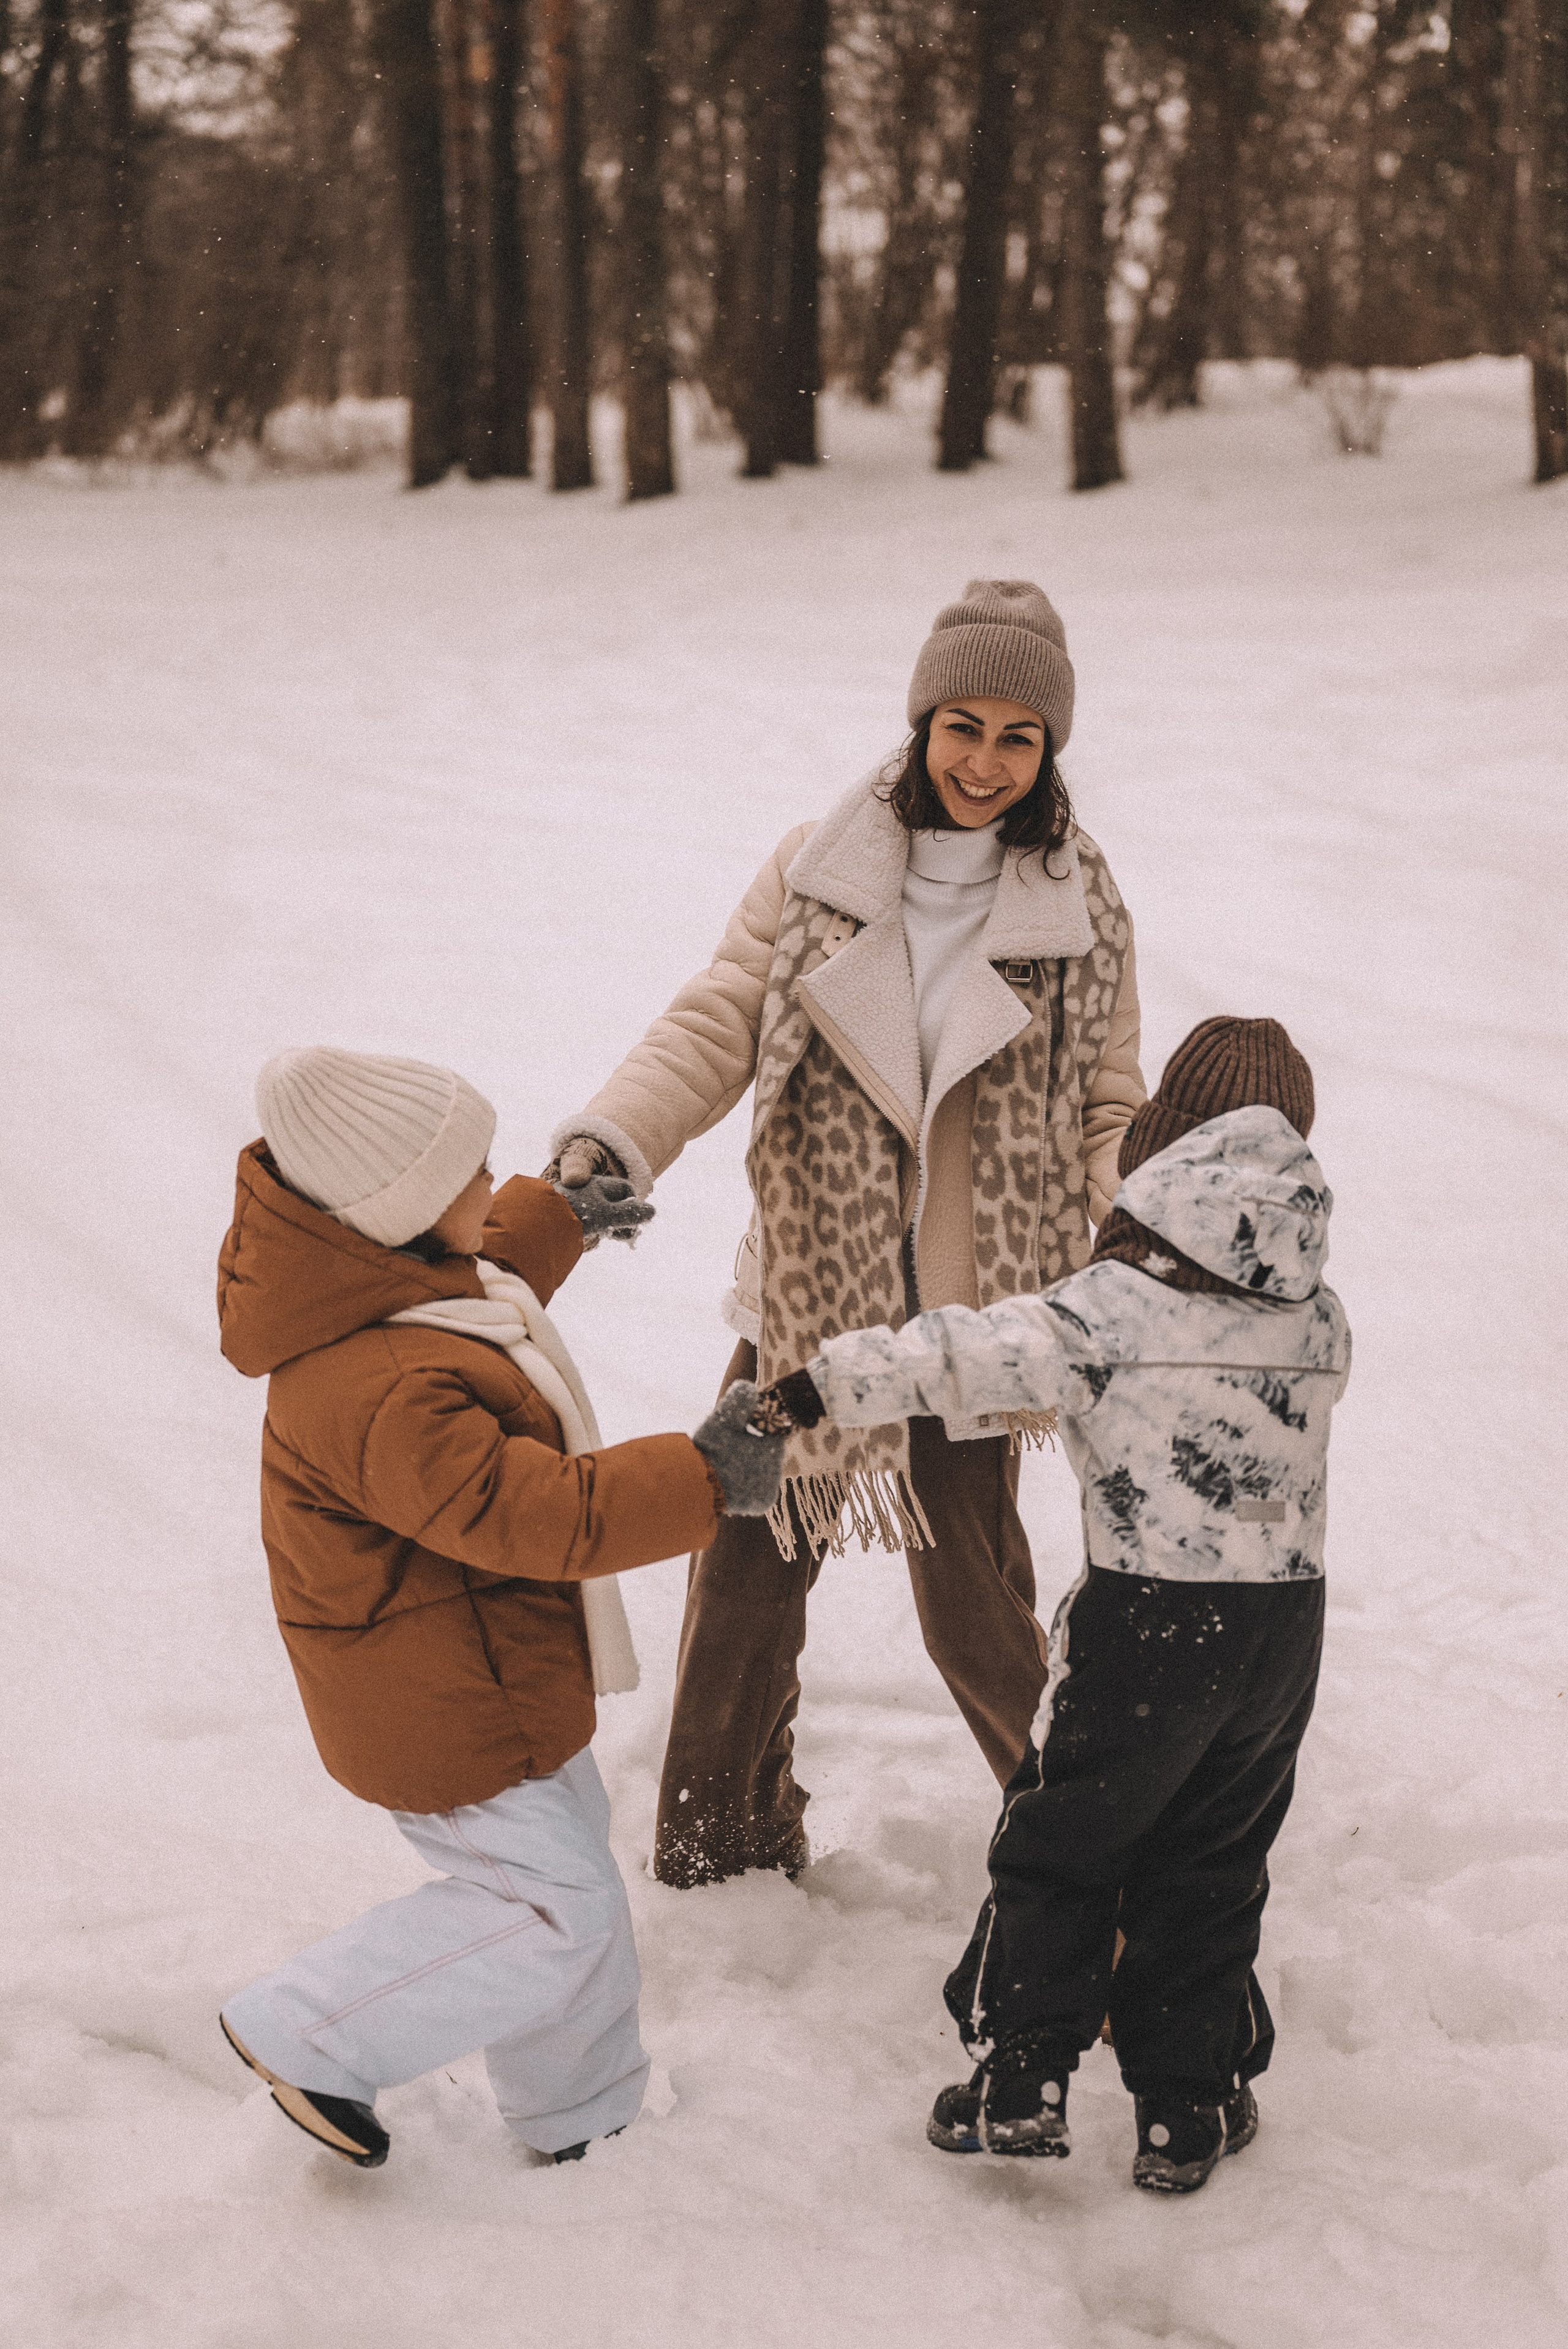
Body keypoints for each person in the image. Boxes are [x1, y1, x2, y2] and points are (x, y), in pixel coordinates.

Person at [549, 579, 1147, 1887]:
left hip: (974, 1312)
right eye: (962, 726)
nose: (984, 762)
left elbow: (1108, 1101)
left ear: (1048, 750)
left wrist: (1155, 1220)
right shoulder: (819, 867)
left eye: (1018, 738)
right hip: (811, 1294)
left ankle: (1087, 1861)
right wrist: (614, 1140)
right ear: (922, 721)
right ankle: (723, 1853)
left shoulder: (1079, 905)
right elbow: (716, 1020)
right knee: (742, 1582)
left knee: (972, 1609)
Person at [758, 1017, 1350, 2193]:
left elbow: (961, 1352)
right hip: (1283, 1633)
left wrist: (815, 1384)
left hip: (1147, 1620)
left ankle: (1019, 2080)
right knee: (1214, 1860)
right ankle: (1188, 2107)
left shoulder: (1110, 1309)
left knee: (1065, 1845)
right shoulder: (1321, 1316)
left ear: (1165, 1150)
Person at [215, 1047, 785, 2169]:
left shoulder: (376, 1276)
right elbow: (539, 1514)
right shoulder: (378, 1389)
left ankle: (582, 2112)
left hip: (494, 1677)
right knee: (554, 1910)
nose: (488, 1183)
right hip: (440, 1708)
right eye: (470, 1173)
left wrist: (557, 1213)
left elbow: (481, 1265)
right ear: (400, 1211)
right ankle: (313, 2029)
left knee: (574, 1886)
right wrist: (704, 1476)